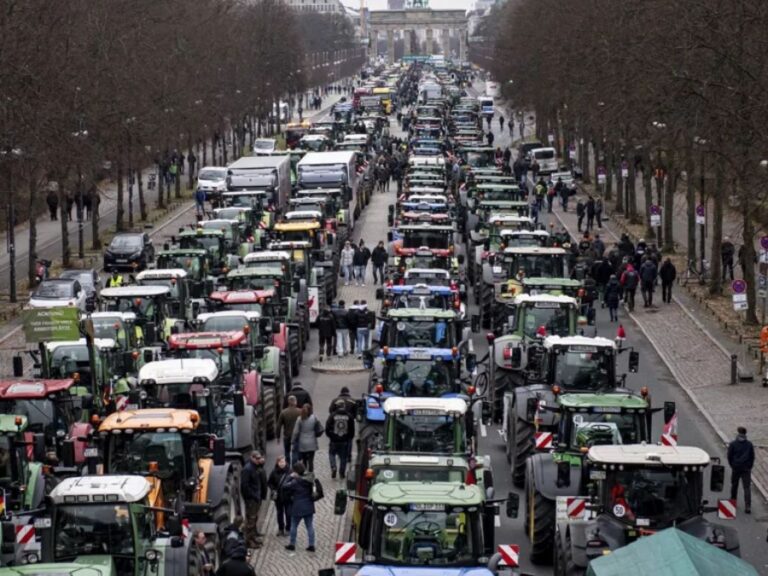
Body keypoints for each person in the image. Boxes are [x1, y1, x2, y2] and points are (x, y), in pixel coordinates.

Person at [283, 462, 318, 552]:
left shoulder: (295, 482)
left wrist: (290, 477)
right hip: (309, 506)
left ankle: (292, 544)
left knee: (294, 525)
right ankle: (311, 545)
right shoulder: (309, 480)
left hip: (298, 507)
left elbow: (284, 486)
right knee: (309, 526)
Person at [240, 450, 267, 549]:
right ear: (252, 458)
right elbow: (244, 486)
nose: (259, 460)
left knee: (254, 518)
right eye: (257, 458)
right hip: (251, 499)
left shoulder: (255, 467)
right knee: (251, 520)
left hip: (256, 497)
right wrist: (253, 496)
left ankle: (253, 536)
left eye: (260, 458)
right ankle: (249, 541)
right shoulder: (247, 469)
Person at [727, 426, 755, 513]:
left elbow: (729, 456)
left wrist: (732, 465)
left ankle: (733, 501)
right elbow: (752, 457)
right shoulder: (749, 444)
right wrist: (749, 466)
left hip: (736, 467)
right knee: (746, 487)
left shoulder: (733, 444)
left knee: (734, 485)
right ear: (745, 434)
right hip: (746, 468)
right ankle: (748, 506)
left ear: (738, 433)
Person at [326, 404, 355, 479]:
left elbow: (327, 427)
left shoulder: (332, 416)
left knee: (331, 454)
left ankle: (333, 467)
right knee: (343, 457)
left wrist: (331, 436)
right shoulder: (349, 416)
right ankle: (342, 473)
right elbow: (352, 430)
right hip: (344, 440)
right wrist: (349, 438)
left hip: (334, 440)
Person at [291, 404, 322, 472]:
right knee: (311, 460)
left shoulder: (300, 419)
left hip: (303, 442)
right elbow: (318, 427)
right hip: (312, 442)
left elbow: (295, 432)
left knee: (304, 460)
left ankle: (304, 472)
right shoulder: (314, 418)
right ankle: (311, 472)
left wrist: (292, 441)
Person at [268, 456, 292, 536]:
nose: (282, 464)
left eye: (283, 462)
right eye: (280, 462)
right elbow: (270, 482)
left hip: (287, 496)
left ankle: (288, 528)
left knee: (288, 514)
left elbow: (294, 482)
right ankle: (281, 528)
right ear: (277, 463)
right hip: (278, 497)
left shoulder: (290, 471)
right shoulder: (274, 472)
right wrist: (273, 489)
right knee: (279, 513)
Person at [277, 396, 302, 465]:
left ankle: (287, 465)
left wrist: (278, 437)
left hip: (287, 435)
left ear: (288, 402)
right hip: (297, 435)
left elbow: (279, 426)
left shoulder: (283, 412)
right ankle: (294, 465)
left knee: (287, 451)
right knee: (295, 451)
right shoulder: (300, 411)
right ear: (295, 402)